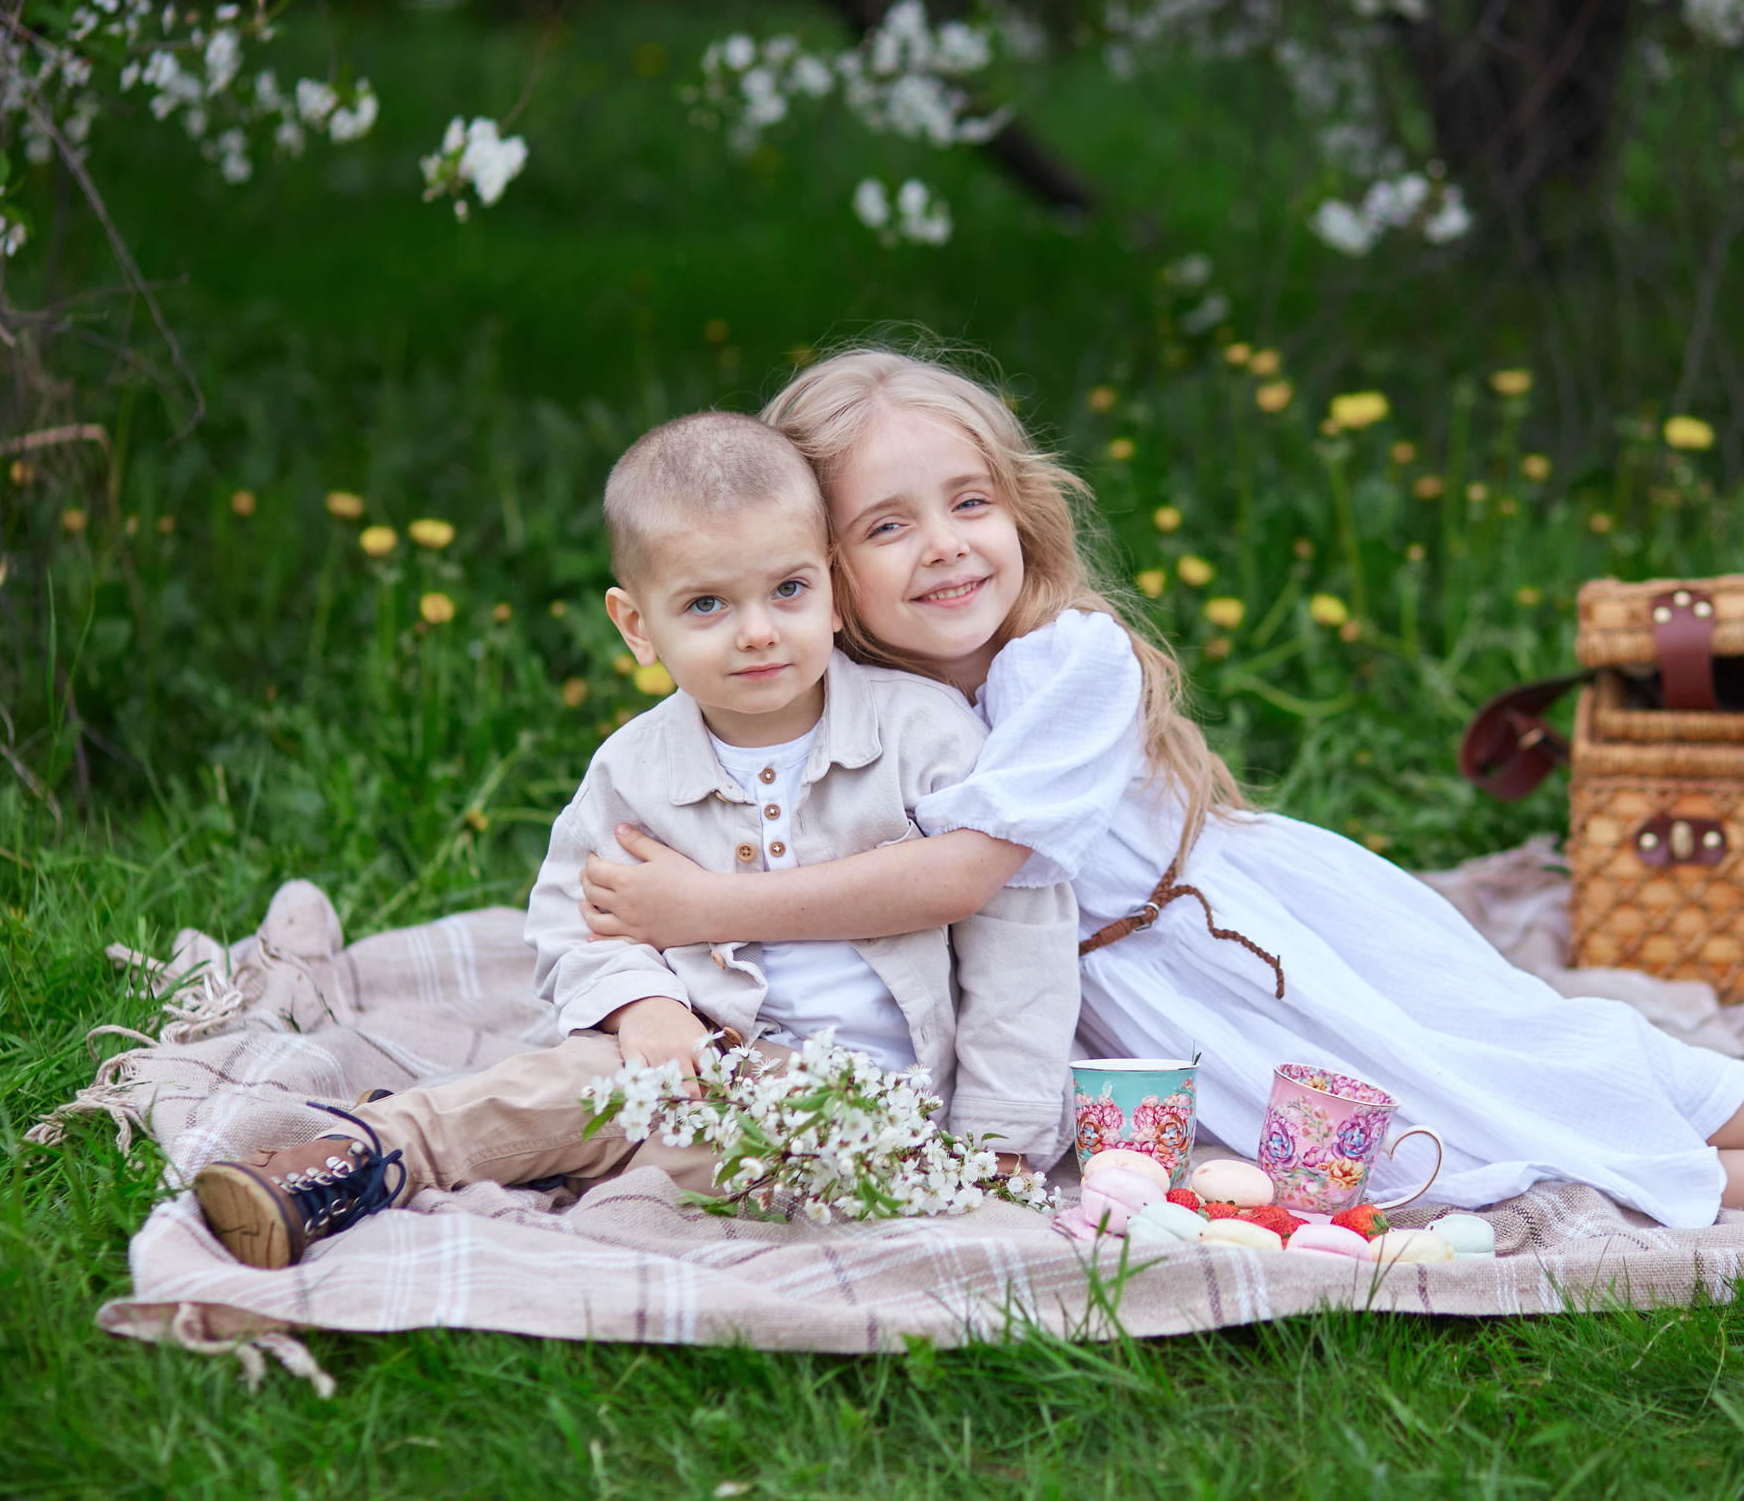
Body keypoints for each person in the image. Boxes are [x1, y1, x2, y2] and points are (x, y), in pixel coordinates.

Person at [577, 350, 1744, 1245]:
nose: (945, 548)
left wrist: (712, 910)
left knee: (1535, 1060)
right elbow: (669, 852)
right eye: (886, 526)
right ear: (815, 565)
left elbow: (971, 872)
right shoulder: (858, 713)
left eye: (969, 502)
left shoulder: (1066, 663)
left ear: (1019, 507)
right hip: (1144, 1030)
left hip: (1251, 951)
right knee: (1417, 1157)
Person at [193, 410, 1081, 1268]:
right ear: (635, 625)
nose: (759, 630)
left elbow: (1020, 945)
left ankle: (514, 1150)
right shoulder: (636, 769)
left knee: (600, 1119)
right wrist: (643, 1006)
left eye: (789, 589)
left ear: (835, 589)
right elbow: (577, 919)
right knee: (588, 1085)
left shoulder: (923, 737)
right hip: (702, 1077)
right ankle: (367, 1157)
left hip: (891, 1115)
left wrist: (1000, 1142)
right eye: (706, 604)